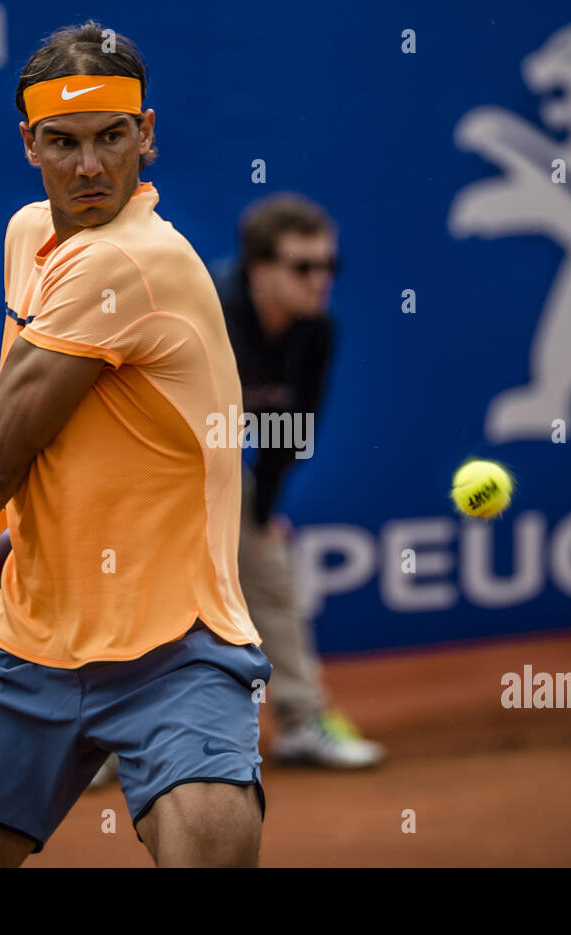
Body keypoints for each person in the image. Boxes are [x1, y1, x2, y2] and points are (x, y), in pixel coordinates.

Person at [0, 21, 271, 868]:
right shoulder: (28, 237)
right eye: (62, 143)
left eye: (111, 138)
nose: (90, 167)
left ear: (147, 134)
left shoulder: (134, 261)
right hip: (30, 643)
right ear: (28, 144)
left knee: (212, 854)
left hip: (175, 648)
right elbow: (30, 458)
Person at [212, 194, 385, 769]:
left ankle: (302, 721)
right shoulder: (207, 312)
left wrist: (262, 515)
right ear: (260, 271)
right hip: (151, 460)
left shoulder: (318, 331)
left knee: (269, 569)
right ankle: (106, 742)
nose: (320, 280)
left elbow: (292, 432)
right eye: (303, 267)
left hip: (223, 464)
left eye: (328, 266)